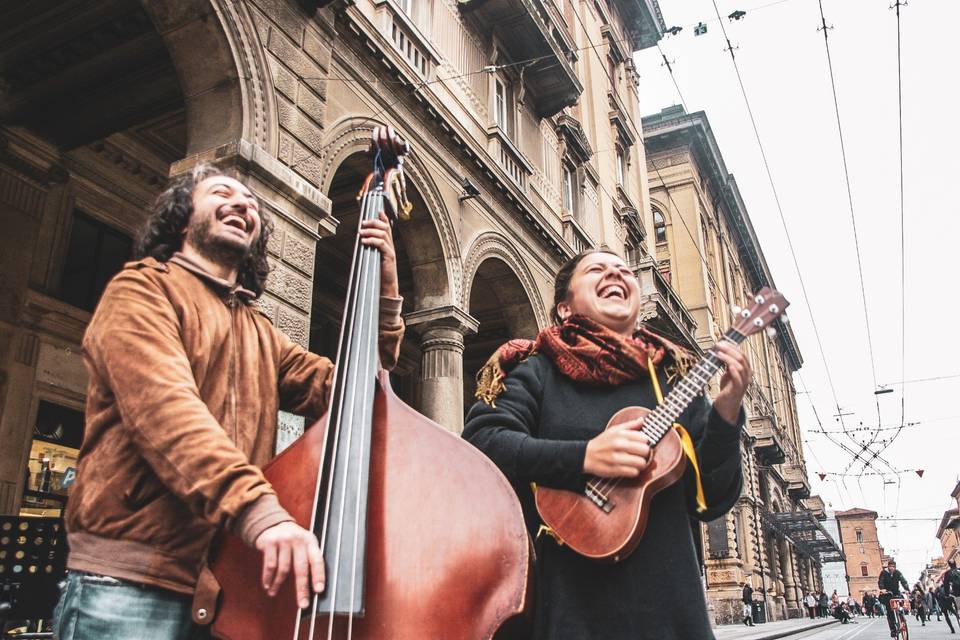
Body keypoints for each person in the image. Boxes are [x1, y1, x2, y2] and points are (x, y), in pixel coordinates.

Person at [51, 161, 406, 639]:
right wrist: (260, 513)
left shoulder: (259, 331)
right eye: (222, 192)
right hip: (129, 581)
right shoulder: (141, 289)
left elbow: (360, 392)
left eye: (252, 203)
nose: (243, 203)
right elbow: (167, 413)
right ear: (181, 219)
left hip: (224, 587)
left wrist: (383, 288)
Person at [462, 250, 750, 640]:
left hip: (671, 617)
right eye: (597, 269)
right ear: (564, 309)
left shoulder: (674, 377)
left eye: (623, 270)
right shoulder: (535, 369)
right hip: (568, 612)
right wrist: (585, 457)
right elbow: (483, 444)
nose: (615, 272)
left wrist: (728, 411)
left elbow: (711, 500)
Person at [879, 559, 910, 638]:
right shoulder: (884, 573)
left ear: (895, 567)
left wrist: (907, 589)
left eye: (893, 566)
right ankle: (893, 629)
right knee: (890, 611)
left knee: (901, 602)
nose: (892, 568)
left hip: (896, 593)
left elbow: (903, 581)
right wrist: (882, 589)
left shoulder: (897, 573)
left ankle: (901, 616)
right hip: (887, 594)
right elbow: (880, 581)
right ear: (888, 567)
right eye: (890, 566)